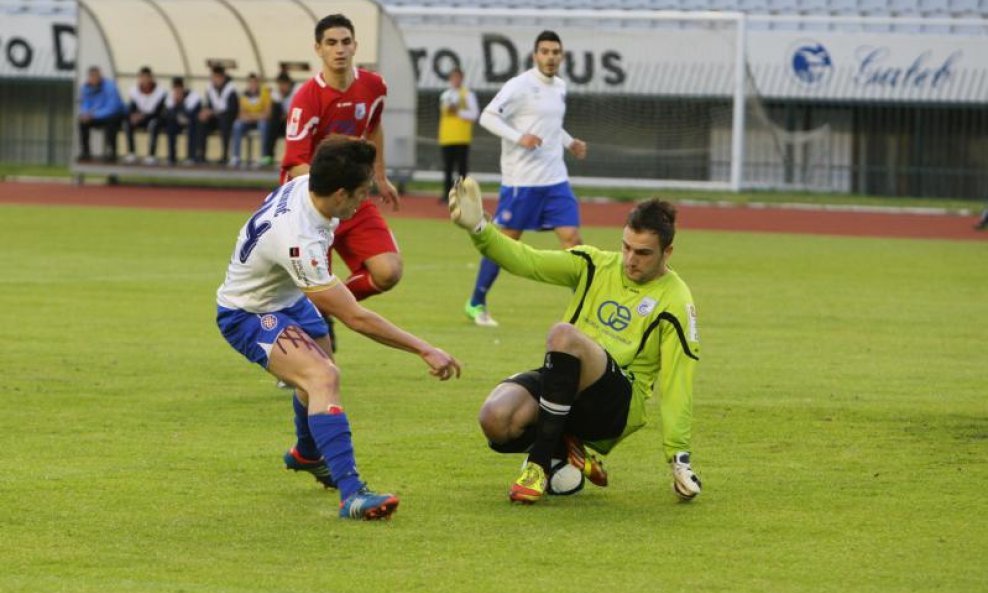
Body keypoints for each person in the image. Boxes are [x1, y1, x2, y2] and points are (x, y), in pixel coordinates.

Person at [216, 137, 461, 520]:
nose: (364, 203)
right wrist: (424, 348)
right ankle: (352, 494)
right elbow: (356, 317)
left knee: (316, 374)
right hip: (247, 312)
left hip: (287, 299)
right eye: (362, 194)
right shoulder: (299, 239)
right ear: (341, 193)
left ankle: (307, 453)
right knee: (322, 376)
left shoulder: (308, 185)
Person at [448, 177, 702, 505]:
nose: (630, 259)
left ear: (667, 252)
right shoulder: (593, 264)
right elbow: (526, 260)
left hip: (616, 407)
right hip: (565, 384)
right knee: (495, 419)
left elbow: (679, 381)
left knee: (563, 335)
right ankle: (566, 448)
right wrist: (480, 229)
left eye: (643, 253)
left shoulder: (677, 301)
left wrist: (678, 457)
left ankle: (538, 465)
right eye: (625, 247)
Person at [281, 13, 403, 326]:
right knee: (311, 285)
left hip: (350, 196)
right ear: (318, 49)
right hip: (311, 202)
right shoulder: (307, 98)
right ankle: (306, 331)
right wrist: (332, 194)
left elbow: (374, 128)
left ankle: (325, 309)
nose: (339, 49)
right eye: (331, 43)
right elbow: (295, 163)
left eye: (345, 42)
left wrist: (379, 174)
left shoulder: (374, 87)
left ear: (355, 46)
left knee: (389, 271)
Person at [464, 30, 588, 328]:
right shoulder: (519, 86)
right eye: (544, 52)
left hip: (555, 180)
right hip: (522, 182)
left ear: (562, 56)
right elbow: (488, 116)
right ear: (535, 56)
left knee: (573, 241)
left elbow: (551, 125)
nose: (550, 57)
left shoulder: (559, 86)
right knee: (505, 244)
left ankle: (586, 309)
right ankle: (476, 302)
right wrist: (521, 137)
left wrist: (569, 142)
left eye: (555, 52)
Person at [437, 67, 479, 204]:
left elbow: (474, 114)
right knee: (447, 168)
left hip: (462, 137)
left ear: (462, 78)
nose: (455, 80)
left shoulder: (467, 95)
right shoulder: (445, 95)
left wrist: (459, 112)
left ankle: (462, 196)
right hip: (447, 137)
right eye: (453, 77)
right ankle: (447, 195)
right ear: (450, 79)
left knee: (462, 169)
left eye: (458, 77)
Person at [77, 65, 126, 162]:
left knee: (111, 121)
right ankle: (85, 152)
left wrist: (93, 115)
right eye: (92, 76)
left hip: (116, 114)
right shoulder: (86, 88)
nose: (94, 78)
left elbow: (112, 107)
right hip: (97, 115)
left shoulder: (110, 86)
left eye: (96, 76)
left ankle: (111, 152)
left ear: (100, 76)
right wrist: (85, 114)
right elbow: (85, 103)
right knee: (82, 122)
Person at [122, 66, 168, 164]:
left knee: (154, 124)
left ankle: (151, 155)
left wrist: (143, 116)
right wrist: (133, 115)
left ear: (151, 78)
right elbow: (132, 107)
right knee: (127, 123)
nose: (144, 80)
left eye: (147, 77)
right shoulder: (134, 91)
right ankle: (131, 153)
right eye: (142, 77)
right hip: (140, 118)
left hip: (155, 118)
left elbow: (158, 111)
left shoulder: (161, 92)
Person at [195, 65, 238, 164]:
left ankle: (224, 155)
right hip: (215, 118)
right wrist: (206, 112)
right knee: (201, 120)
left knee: (224, 122)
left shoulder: (231, 89)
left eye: (216, 77)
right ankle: (200, 153)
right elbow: (209, 104)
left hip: (228, 118)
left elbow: (232, 109)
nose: (214, 80)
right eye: (213, 77)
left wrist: (213, 112)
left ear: (222, 77)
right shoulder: (210, 88)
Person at [229, 72, 272, 168]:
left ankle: (263, 156)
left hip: (260, 121)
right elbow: (241, 114)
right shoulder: (244, 95)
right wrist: (254, 116)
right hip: (248, 122)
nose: (253, 85)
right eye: (250, 83)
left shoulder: (265, 93)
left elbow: (267, 114)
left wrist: (252, 116)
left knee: (264, 125)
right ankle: (236, 157)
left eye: (255, 82)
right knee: (237, 125)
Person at [261, 71, 298, 167]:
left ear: (289, 84)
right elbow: (271, 113)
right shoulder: (276, 94)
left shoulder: (297, 92)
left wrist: (286, 115)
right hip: (280, 123)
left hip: (295, 122)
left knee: (292, 125)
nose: (281, 88)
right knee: (270, 125)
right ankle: (268, 155)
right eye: (279, 85)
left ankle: (292, 157)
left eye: (283, 85)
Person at [163, 77, 202, 166]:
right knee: (170, 127)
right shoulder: (170, 97)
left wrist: (182, 104)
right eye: (175, 89)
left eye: (179, 89)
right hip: (177, 122)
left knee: (192, 128)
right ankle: (172, 157)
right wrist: (176, 104)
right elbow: (167, 114)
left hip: (191, 122)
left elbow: (194, 114)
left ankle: (191, 157)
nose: (177, 92)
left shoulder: (193, 97)